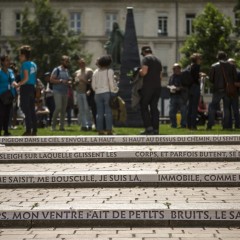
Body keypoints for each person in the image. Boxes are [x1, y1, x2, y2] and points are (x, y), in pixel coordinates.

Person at [207, 51, 238, 130]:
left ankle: (210, 124)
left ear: (218, 57)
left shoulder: (214, 66)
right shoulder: (232, 66)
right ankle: (226, 126)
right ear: (226, 57)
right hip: (228, 90)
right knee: (226, 107)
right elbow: (235, 77)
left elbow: (211, 79)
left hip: (218, 89)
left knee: (212, 106)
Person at [13, 45, 38, 136]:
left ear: (24, 55)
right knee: (32, 109)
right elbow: (33, 78)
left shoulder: (24, 64)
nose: (19, 57)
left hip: (26, 88)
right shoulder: (34, 64)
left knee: (25, 108)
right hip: (32, 88)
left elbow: (26, 78)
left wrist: (17, 84)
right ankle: (34, 130)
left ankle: (28, 130)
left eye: (20, 55)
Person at [91, 55, 118, 135]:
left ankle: (100, 130)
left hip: (97, 93)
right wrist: (115, 90)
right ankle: (109, 130)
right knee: (108, 112)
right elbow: (111, 83)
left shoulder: (95, 72)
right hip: (107, 93)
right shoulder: (109, 71)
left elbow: (93, 85)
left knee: (99, 113)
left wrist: (96, 90)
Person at [139, 46, 162, 135]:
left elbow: (144, 72)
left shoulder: (146, 59)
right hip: (157, 87)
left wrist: (138, 72)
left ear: (143, 52)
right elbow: (160, 76)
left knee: (144, 106)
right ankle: (156, 129)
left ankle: (149, 128)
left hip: (148, 86)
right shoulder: (158, 60)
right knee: (154, 107)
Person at [50, 55, 71, 131]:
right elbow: (51, 80)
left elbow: (68, 80)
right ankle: (53, 126)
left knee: (63, 110)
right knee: (58, 107)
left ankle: (62, 126)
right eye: (66, 61)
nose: (68, 63)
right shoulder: (57, 69)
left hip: (65, 91)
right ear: (62, 61)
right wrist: (61, 81)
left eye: (68, 61)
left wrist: (70, 82)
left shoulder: (67, 71)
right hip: (57, 91)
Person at [73, 58, 93, 131]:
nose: (81, 64)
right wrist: (76, 82)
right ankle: (83, 125)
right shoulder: (76, 72)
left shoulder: (89, 71)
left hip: (85, 92)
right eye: (80, 63)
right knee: (81, 109)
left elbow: (91, 82)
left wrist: (83, 80)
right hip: (78, 92)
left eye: (83, 63)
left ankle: (89, 124)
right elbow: (74, 82)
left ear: (85, 63)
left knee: (87, 109)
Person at [0, 55, 16, 136]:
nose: (8, 62)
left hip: (10, 95)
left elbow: (13, 81)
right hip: (2, 95)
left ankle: (6, 131)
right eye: (6, 60)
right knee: (1, 113)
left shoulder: (11, 71)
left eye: (9, 60)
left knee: (7, 114)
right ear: (2, 62)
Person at [167, 63, 187, 128]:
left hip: (181, 96)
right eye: (174, 69)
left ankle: (183, 124)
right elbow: (168, 84)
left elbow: (186, 86)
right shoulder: (172, 76)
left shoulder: (183, 76)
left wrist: (179, 88)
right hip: (173, 95)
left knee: (183, 111)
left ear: (179, 69)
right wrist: (170, 87)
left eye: (176, 69)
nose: (175, 70)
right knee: (172, 111)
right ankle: (173, 124)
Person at [187, 53, 202, 130]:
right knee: (194, 107)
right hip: (195, 87)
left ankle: (189, 125)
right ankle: (193, 125)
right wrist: (200, 76)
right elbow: (196, 78)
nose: (201, 60)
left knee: (190, 107)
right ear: (197, 59)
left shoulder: (189, 66)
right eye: (200, 58)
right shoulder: (196, 66)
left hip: (190, 88)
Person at [227, 58, 240, 129]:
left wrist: (233, 84)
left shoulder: (238, 72)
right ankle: (228, 125)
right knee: (227, 110)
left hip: (235, 93)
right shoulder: (225, 72)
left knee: (235, 110)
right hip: (227, 93)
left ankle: (237, 125)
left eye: (232, 63)